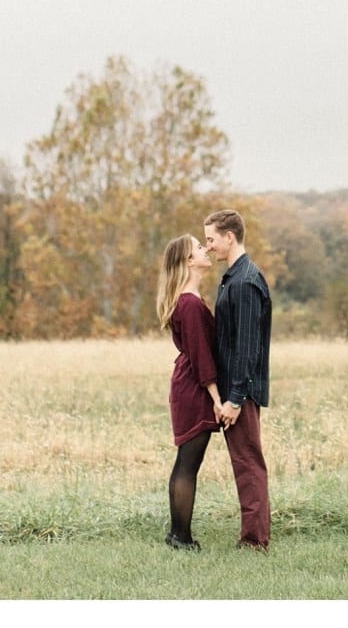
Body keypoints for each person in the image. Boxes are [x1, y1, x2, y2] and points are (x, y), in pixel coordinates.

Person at [204, 208, 272, 552]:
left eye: (211, 239)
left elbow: (247, 349)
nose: (209, 247)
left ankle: (255, 540)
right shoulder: (234, 276)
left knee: (248, 463)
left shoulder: (245, 282)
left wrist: (234, 399)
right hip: (235, 391)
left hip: (239, 393)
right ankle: (253, 537)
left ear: (229, 237)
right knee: (244, 462)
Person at [155, 233, 224, 551]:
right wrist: (217, 400)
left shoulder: (188, 298)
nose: (205, 249)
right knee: (188, 463)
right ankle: (180, 537)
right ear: (188, 261)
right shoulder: (190, 303)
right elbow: (201, 356)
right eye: (199, 247)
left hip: (188, 385)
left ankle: (177, 534)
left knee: (186, 461)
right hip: (194, 390)